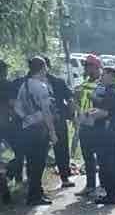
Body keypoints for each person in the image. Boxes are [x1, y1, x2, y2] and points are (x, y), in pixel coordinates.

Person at [13, 57, 58, 206]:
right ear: (43, 68)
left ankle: (36, 193)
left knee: (32, 164)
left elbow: (17, 107)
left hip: (26, 128)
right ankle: (35, 196)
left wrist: (27, 118)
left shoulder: (24, 85)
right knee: (38, 164)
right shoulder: (41, 86)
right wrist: (52, 132)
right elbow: (47, 112)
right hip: (39, 129)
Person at [89, 67, 115, 204]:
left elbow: (103, 113)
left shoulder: (110, 94)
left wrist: (90, 113)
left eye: (103, 75)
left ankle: (111, 195)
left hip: (106, 132)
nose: (101, 77)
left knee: (107, 165)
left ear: (111, 76)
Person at [43, 57, 76, 188]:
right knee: (61, 149)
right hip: (58, 120)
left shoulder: (28, 82)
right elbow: (70, 100)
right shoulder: (58, 81)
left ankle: (34, 182)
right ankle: (65, 178)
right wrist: (72, 116)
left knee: (38, 151)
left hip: (39, 122)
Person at [74, 54, 102, 197]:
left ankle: (104, 185)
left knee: (102, 156)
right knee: (88, 156)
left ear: (96, 67)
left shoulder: (102, 84)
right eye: (85, 65)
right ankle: (90, 185)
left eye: (88, 66)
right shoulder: (84, 84)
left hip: (98, 124)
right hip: (85, 124)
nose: (86, 68)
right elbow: (79, 103)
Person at [0, 60, 14, 203]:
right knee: (8, 156)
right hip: (5, 126)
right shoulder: (7, 85)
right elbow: (12, 104)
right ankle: (5, 185)